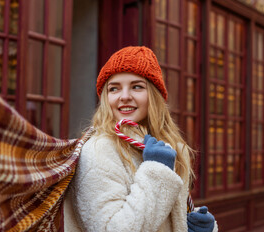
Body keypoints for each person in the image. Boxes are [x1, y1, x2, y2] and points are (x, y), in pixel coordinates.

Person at [64, 46, 218, 232]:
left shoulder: (169, 147)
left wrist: (192, 227)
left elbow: (160, 219)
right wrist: (157, 171)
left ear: (154, 95)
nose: (125, 96)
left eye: (137, 87)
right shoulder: (100, 149)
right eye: (114, 89)